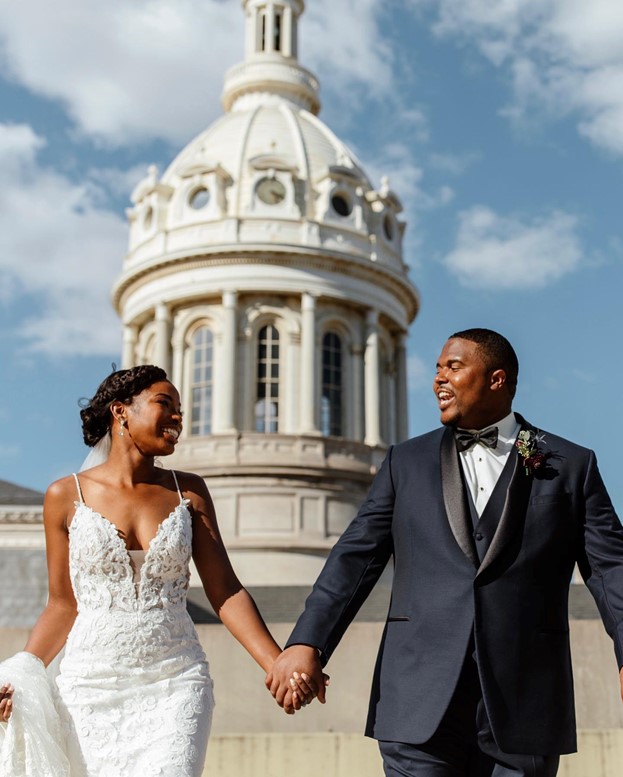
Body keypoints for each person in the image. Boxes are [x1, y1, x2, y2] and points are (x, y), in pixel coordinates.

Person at [266, 328, 623, 777]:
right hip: (417, 701)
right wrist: (308, 642)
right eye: (437, 369)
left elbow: (611, 569)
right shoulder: (403, 463)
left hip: (524, 703)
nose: (438, 378)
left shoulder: (571, 465)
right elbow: (354, 559)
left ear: (496, 379)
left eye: (453, 367)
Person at [0, 365, 310, 776]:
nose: (178, 417)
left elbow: (226, 591)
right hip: (89, 687)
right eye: (166, 404)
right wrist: (20, 675)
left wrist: (277, 664)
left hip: (176, 680)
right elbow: (62, 605)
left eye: (181, 409)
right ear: (120, 411)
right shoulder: (64, 495)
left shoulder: (190, 491)